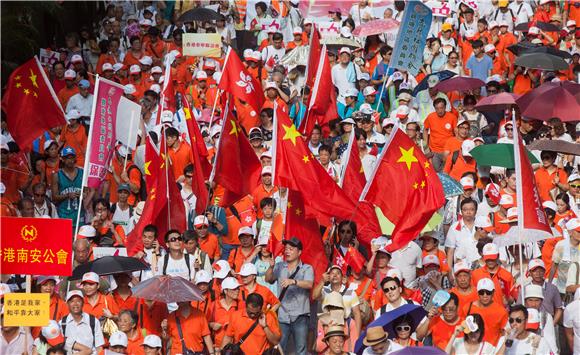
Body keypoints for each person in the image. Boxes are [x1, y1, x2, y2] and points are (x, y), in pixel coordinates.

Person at [265, 237, 314, 355]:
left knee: (301, 350)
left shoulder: (306, 268)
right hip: (283, 315)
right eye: (286, 249)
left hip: (300, 315)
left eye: (291, 249)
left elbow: (309, 284)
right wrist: (271, 267)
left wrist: (294, 282)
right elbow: (268, 279)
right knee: (280, 348)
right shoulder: (280, 266)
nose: (287, 251)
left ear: (299, 252)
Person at [460, 278, 507, 346]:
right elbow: (462, 330)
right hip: (472, 349)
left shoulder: (501, 311)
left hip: (492, 351)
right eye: (481, 292)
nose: (485, 295)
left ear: (493, 292)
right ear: (478, 293)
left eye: (488, 292)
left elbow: (504, 333)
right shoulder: (467, 308)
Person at [51, 147, 83, 228]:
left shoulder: (82, 172)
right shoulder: (56, 175)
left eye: (72, 157)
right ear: (62, 159)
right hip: (64, 215)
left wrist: (83, 194)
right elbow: (54, 197)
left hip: (79, 214)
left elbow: (88, 191)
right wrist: (67, 195)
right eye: (67, 158)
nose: (70, 160)